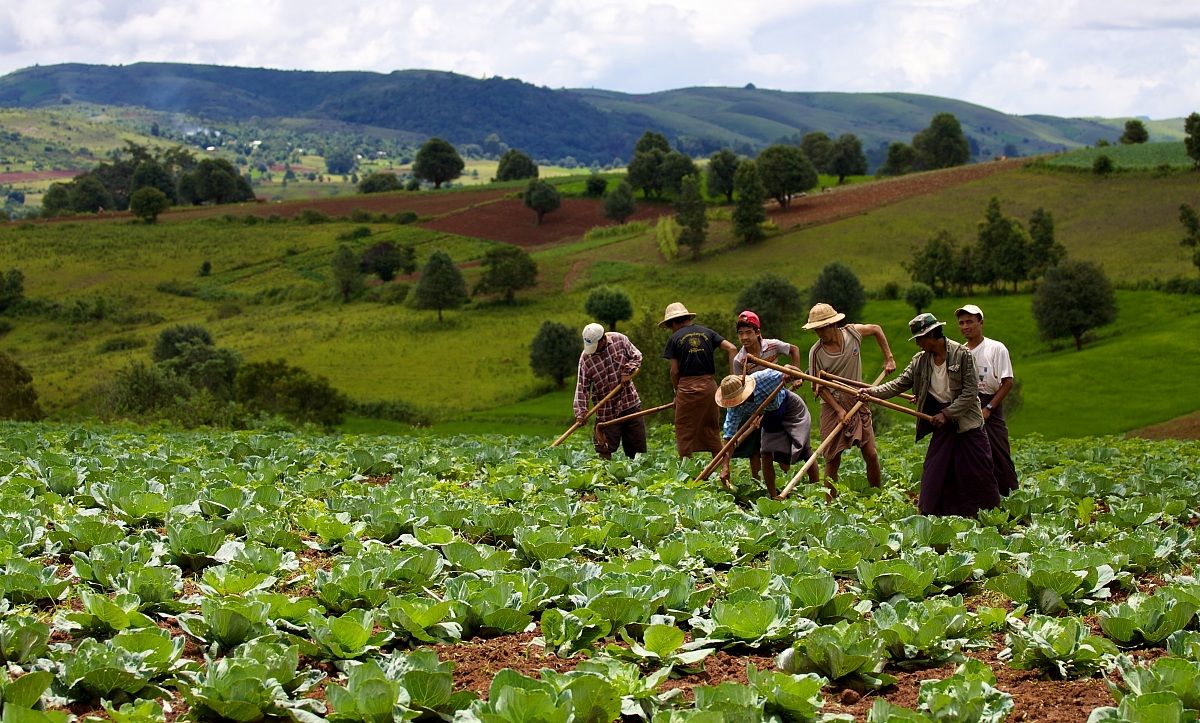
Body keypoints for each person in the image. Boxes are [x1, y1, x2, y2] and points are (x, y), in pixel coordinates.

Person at [860, 313, 1001, 517]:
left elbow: (970, 393)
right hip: (942, 425)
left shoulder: (962, 355)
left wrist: (947, 413)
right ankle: (931, 513)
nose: (918, 344)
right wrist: (871, 392)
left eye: (920, 339)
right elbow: (899, 384)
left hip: (966, 421)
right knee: (935, 470)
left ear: (932, 335)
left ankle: (987, 515)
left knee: (977, 470)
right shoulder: (920, 361)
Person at [802, 303, 896, 488]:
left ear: (832, 324)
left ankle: (877, 493)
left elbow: (876, 329)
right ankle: (830, 502)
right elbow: (818, 387)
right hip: (832, 404)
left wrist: (889, 358)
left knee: (871, 454)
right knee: (832, 458)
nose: (819, 333)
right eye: (816, 330)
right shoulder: (816, 352)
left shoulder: (852, 333)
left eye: (822, 328)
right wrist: (838, 410)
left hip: (858, 398)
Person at [715, 368, 818, 498]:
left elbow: (790, 369)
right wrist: (725, 466)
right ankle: (774, 497)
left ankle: (816, 491)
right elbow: (729, 438)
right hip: (770, 415)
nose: (738, 403)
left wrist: (795, 378)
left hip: (790, 407)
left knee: (805, 451)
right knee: (766, 453)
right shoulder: (734, 408)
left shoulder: (764, 378)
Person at [730, 310, 802, 482]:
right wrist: (752, 413)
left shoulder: (772, 345)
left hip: (778, 398)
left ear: (757, 333)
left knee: (780, 444)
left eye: (748, 332)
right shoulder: (739, 360)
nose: (744, 337)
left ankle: (786, 478)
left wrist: (797, 375)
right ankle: (757, 483)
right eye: (740, 333)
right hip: (756, 404)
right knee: (755, 448)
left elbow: (794, 350)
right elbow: (741, 389)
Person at [955, 304, 1019, 495]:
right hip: (967, 405)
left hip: (990, 403)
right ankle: (980, 498)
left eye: (969, 322)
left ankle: (1010, 496)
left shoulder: (996, 348)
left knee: (998, 452)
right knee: (970, 455)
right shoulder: (960, 352)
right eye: (961, 323)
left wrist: (989, 408)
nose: (965, 326)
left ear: (980, 323)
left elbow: (1007, 382)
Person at [661, 302, 737, 458]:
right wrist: (732, 377)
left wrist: (677, 392)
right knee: (711, 428)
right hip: (709, 388)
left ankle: (687, 469)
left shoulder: (674, 338)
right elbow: (732, 348)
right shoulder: (707, 332)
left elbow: (674, 371)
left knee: (684, 429)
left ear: (673, 323)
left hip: (686, 389)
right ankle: (720, 467)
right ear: (687, 318)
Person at [573, 323, 646, 459]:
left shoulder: (619, 340)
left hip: (629, 402)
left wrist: (627, 372)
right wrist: (581, 412)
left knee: (637, 451)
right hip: (606, 410)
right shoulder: (585, 358)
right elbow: (582, 386)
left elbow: (636, 356)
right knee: (604, 450)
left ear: (603, 339)